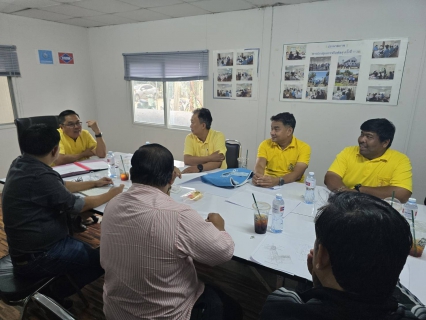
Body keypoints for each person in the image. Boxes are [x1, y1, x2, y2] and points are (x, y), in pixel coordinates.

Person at [100, 143, 242, 320]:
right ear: (171, 179)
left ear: (132, 173)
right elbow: (223, 252)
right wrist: (219, 227)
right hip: (166, 315)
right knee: (231, 308)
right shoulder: (178, 215)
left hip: (116, 311)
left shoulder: (112, 204)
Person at [1, 124, 124, 305]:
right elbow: (77, 205)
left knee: (92, 249)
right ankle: (55, 292)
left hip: (26, 250)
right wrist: (111, 194)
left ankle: (58, 284)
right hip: (39, 256)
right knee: (106, 257)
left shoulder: (22, 164)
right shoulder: (39, 175)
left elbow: (58, 187)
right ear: (55, 150)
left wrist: (94, 183)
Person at [261, 192, 426, 320]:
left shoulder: (282, 306)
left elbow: (320, 303)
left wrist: (318, 282)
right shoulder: (416, 315)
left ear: (321, 257)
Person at [324, 118, 412, 202]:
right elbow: (331, 176)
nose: (362, 139)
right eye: (362, 134)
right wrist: (344, 192)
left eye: (369, 137)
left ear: (385, 142)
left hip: (377, 208)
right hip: (346, 202)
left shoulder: (400, 160)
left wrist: (360, 190)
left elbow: (402, 193)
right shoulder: (348, 151)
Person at [253, 112, 311, 188]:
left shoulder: (303, 147)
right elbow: (260, 165)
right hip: (268, 184)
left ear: (289, 131)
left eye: (276, 129)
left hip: (292, 186)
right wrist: (259, 177)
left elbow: (297, 174)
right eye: (272, 129)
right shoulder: (265, 144)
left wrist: (277, 181)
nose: (272, 133)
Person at [182, 108, 227, 173]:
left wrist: (199, 167)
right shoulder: (190, 138)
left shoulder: (218, 136)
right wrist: (210, 158)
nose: (190, 126)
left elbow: (218, 162)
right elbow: (187, 160)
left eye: (192, 122)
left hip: (218, 175)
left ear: (203, 125)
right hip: (198, 176)